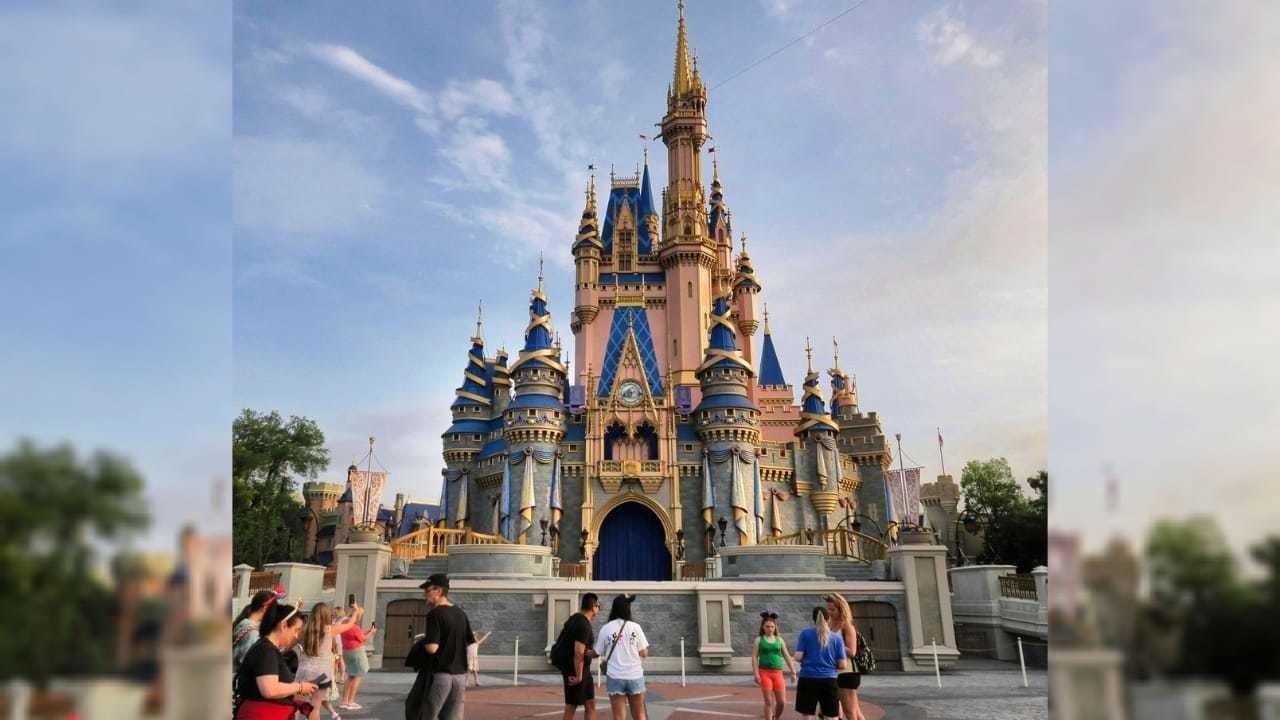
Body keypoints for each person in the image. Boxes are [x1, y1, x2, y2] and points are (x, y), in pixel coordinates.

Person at [233, 602, 320, 720]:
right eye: (296, 630)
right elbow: (269, 689)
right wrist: (299, 687)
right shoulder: (266, 650)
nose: (296, 635)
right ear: (283, 626)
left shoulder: (267, 648)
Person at [419, 573, 476, 720]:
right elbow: (471, 641)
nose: (424, 593)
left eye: (427, 590)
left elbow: (432, 648)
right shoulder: (460, 613)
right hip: (460, 676)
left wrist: (421, 642)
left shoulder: (435, 614)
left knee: (428, 715)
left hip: (441, 675)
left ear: (438, 591)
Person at [296, 602, 360, 720]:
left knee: (297, 705)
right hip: (322, 674)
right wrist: (355, 611)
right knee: (315, 707)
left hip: (303, 672)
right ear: (327, 615)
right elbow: (350, 624)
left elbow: (291, 644)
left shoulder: (303, 630)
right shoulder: (330, 629)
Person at [593, 594, 648, 720]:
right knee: (639, 714)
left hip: (615, 676)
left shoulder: (606, 628)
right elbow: (644, 652)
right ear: (627, 609)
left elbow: (597, 652)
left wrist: (585, 653)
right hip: (635, 675)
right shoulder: (636, 627)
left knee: (619, 717)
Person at [791, 605, 848, 720]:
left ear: (813, 619)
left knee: (808, 714)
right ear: (828, 619)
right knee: (831, 716)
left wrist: (809, 659)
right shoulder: (837, 638)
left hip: (808, 678)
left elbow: (798, 656)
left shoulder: (805, 634)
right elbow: (843, 665)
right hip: (829, 679)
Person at [554, 593, 601, 720]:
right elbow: (578, 652)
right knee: (571, 705)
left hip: (581, 669)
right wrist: (579, 676)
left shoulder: (574, 618)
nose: (599, 609)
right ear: (593, 606)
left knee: (590, 704)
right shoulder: (583, 625)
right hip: (576, 671)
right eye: (598, 606)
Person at [825, 593, 867, 720]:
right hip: (834, 671)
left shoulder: (847, 626)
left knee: (849, 712)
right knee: (856, 712)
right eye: (828, 609)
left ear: (841, 609)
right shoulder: (830, 624)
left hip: (847, 673)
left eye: (832, 609)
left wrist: (834, 644)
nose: (830, 612)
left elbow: (852, 651)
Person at [751, 611, 797, 720]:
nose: (770, 629)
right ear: (763, 627)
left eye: (772, 626)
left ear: (775, 627)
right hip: (764, 673)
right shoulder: (758, 640)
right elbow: (754, 657)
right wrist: (756, 674)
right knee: (768, 702)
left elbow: (786, 656)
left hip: (777, 674)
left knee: (781, 702)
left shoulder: (779, 640)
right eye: (767, 626)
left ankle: (776, 717)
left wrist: (793, 671)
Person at [338, 602, 376, 711]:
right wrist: (372, 633)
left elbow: (357, 634)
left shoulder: (344, 623)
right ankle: (351, 701)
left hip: (346, 651)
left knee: (350, 676)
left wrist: (367, 631)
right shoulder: (354, 627)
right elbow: (362, 639)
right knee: (358, 675)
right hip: (356, 652)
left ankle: (344, 701)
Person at [233, 589, 280, 672]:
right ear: (265, 607)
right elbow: (250, 665)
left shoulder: (242, 622)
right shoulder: (253, 634)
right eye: (273, 610)